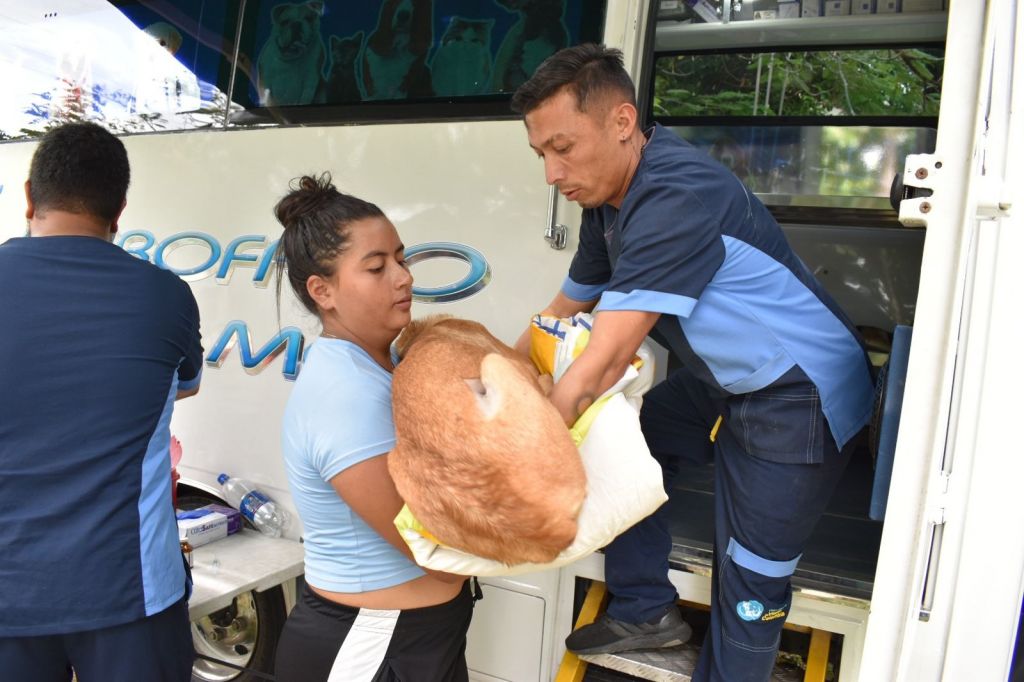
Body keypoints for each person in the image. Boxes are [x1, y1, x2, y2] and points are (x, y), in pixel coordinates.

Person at [510, 45, 874, 682]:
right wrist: (495, 375)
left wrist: (519, 446)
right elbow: (559, 315)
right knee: (623, 440)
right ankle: (648, 615)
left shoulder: (676, 195)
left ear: (622, 123)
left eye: (563, 148)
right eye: (542, 154)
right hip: (725, 384)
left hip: (799, 392)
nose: (552, 172)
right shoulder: (606, 204)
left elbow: (603, 358)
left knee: (750, 582)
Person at [0, 122, 203, 681]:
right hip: (131, 593)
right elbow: (185, 383)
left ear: (28, 197)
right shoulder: (166, 296)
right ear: (119, 210)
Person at [271, 174, 472, 682]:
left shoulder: (385, 367)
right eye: (377, 267)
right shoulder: (348, 394)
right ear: (323, 291)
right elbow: (437, 552)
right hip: (372, 642)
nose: (403, 278)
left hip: (411, 635)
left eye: (401, 259)